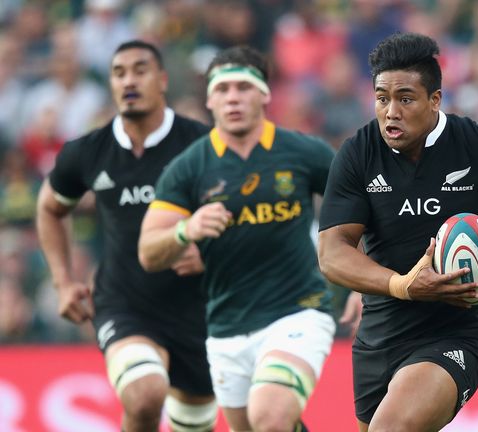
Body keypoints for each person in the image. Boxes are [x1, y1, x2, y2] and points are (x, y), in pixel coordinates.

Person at [317, 33, 478, 432]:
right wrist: (402, 285)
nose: (391, 111)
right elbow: (332, 252)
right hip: (378, 336)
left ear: (435, 100)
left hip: (452, 335)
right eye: (382, 97)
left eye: (405, 98)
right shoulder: (358, 153)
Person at [137, 45, 336, 432]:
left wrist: (366, 283)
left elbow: (362, 206)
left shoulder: (303, 152)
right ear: (209, 98)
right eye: (223, 88)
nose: (232, 97)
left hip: (297, 311)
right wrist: (185, 230)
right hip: (227, 325)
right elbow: (148, 251)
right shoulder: (189, 168)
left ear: (264, 94)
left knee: (269, 417)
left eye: (243, 88)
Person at [36, 40, 217, 432]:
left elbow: (245, 214)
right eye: (119, 73)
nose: (128, 81)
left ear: (162, 80)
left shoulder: (203, 145)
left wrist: (210, 253)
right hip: (124, 302)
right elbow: (50, 207)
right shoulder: (87, 152)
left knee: (195, 423)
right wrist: (63, 280)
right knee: (144, 394)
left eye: (140, 70)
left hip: (198, 309)